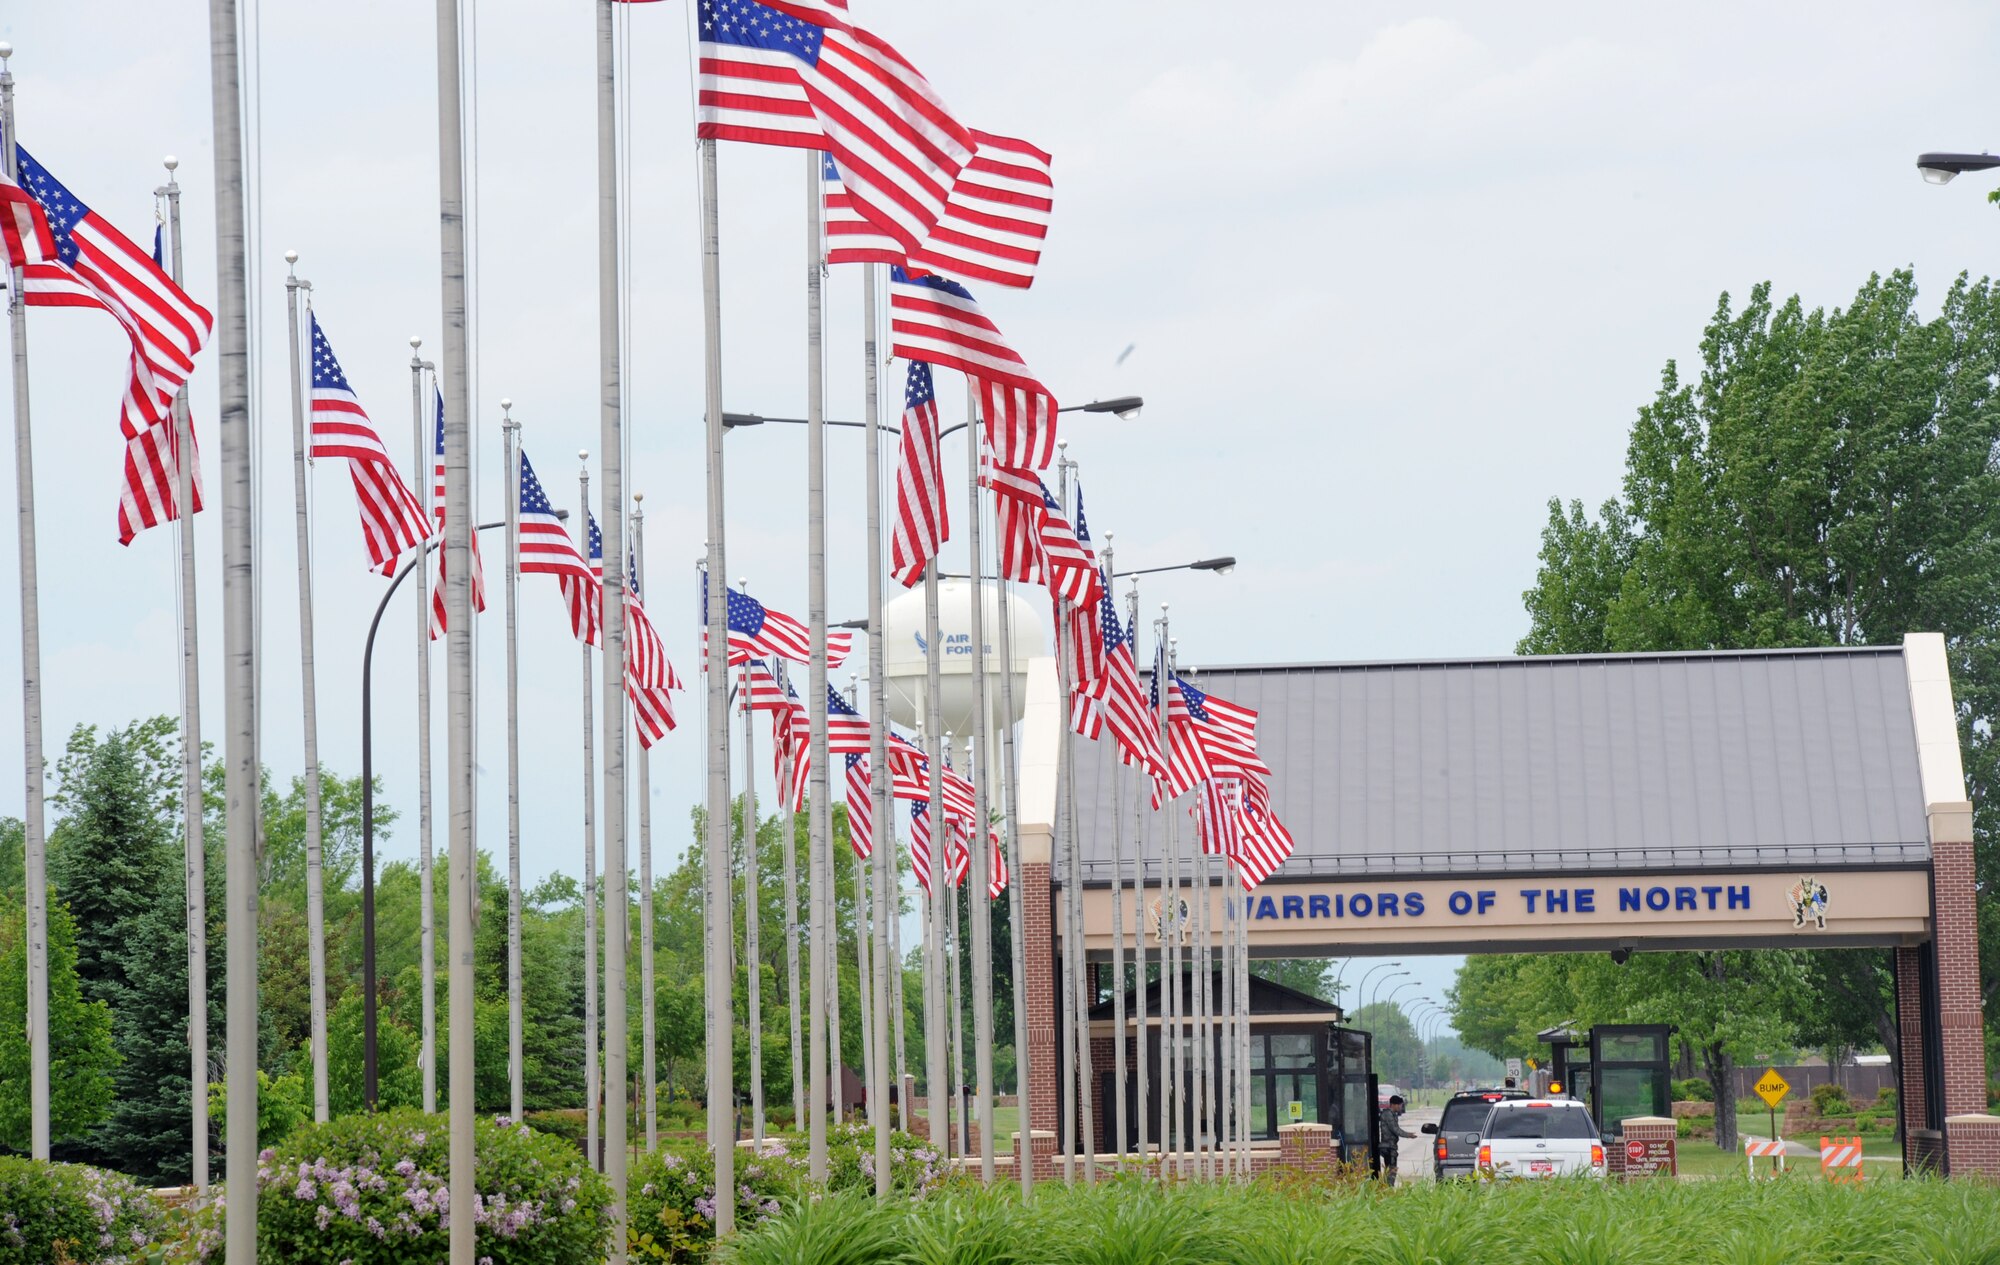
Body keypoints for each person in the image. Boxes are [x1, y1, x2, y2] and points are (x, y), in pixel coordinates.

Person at [1377, 1093, 1415, 1183]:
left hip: (1391, 1146)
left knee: (1391, 1170)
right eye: (1399, 1105)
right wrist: (1408, 1135)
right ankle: (1389, 1188)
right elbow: (1395, 1129)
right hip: (1388, 1147)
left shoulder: (1393, 1114)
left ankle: (1388, 1187)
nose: (1400, 1107)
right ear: (1393, 1104)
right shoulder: (1388, 1114)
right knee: (1391, 1170)